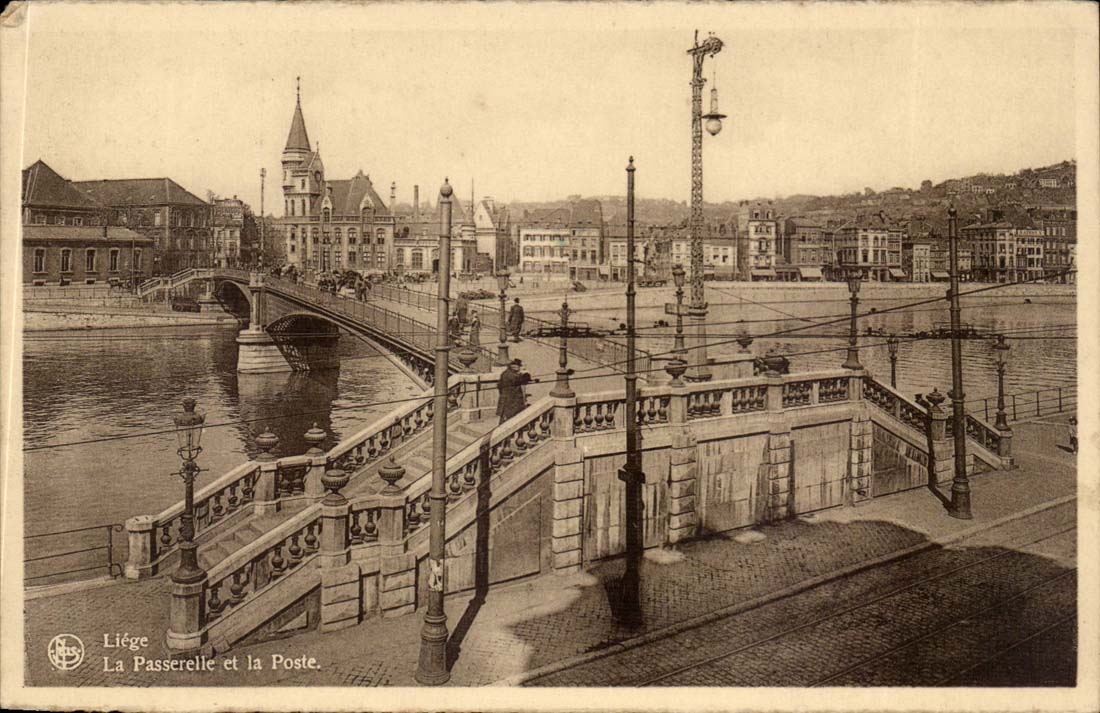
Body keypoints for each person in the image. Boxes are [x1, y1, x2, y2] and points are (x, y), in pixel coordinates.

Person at [496, 359, 533, 424]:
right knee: (509, 418)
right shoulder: (511, 375)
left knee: (506, 417)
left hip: (508, 399)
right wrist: (525, 374)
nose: (520, 368)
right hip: (511, 400)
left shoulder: (506, 373)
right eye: (519, 366)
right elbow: (522, 379)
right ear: (514, 367)